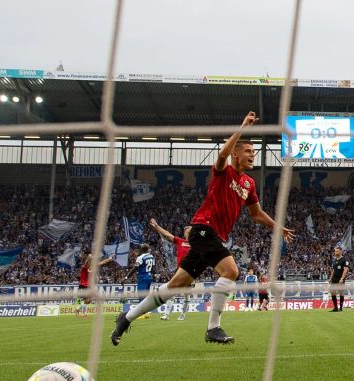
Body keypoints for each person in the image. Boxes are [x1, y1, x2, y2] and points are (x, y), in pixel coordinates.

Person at [111, 112, 295, 346]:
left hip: (214, 237)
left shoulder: (249, 183)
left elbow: (256, 214)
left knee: (175, 285)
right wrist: (243, 126)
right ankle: (213, 328)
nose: (253, 155)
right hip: (202, 229)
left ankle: (126, 318)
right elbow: (222, 154)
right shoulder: (223, 171)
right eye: (248, 151)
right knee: (231, 271)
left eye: (254, 152)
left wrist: (278, 227)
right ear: (236, 153)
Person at [149, 218, 194, 321]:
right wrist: (157, 226)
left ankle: (182, 314)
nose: (185, 233)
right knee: (171, 292)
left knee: (186, 295)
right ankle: (166, 314)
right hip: (179, 270)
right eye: (185, 231)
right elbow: (167, 234)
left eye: (187, 231)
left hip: (190, 272)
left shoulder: (196, 244)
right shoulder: (180, 241)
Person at [75, 251, 114, 318]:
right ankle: (83, 314)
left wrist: (109, 259)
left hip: (88, 286)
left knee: (88, 301)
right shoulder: (84, 267)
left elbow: (102, 262)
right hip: (83, 285)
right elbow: (86, 262)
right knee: (87, 300)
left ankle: (78, 309)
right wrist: (89, 257)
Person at [124, 244, 155, 319]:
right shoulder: (151, 256)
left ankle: (142, 314)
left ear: (141, 250)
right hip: (149, 277)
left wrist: (126, 277)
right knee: (146, 295)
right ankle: (147, 312)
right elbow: (153, 267)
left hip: (143, 277)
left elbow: (135, 268)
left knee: (141, 295)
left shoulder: (140, 258)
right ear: (148, 249)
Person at [328, 246, 349, 312]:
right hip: (334, 279)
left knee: (341, 292)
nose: (335, 252)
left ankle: (341, 307)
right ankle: (335, 307)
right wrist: (330, 278)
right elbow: (333, 270)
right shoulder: (334, 260)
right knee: (332, 292)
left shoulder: (344, 260)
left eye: (337, 251)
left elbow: (345, 270)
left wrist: (342, 278)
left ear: (340, 251)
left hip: (340, 279)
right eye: (335, 251)